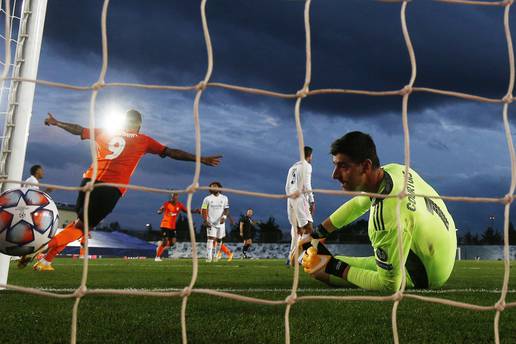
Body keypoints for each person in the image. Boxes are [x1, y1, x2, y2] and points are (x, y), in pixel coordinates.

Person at [19, 110, 222, 271]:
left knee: (80, 224)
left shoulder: (106, 132)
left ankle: (46, 261)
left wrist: (57, 123)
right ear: (139, 125)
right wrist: (200, 159)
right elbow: (171, 153)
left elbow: (78, 129)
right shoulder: (143, 140)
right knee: (82, 228)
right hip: (110, 188)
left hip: (87, 180)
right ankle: (41, 248)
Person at [300, 131, 457, 291]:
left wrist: (334, 267)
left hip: (427, 274)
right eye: (335, 165)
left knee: (322, 269)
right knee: (328, 261)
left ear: (366, 166)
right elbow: (358, 203)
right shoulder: (394, 170)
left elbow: (389, 285)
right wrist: (317, 235)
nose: (334, 175)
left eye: (343, 166)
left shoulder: (386, 217)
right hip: (443, 245)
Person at [285, 146, 315, 265]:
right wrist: (312, 200)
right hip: (299, 198)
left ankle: (291, 258)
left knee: (296, 230)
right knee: (309, 228)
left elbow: (287, 186)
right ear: (310, 155)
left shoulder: (292, 167)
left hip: (290, 198)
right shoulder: (307, 166)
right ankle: (304, 258)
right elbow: (307, 185)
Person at [155, 192, 199, 261]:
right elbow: (160, 210)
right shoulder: (167, 204)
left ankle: (160, 246)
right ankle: (157, 257)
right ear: (171, 197)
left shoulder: (179, 205)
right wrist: (160, 211)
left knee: (172, 243)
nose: (173, 198)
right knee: (165, 241)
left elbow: (187, 211)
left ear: (177, 197)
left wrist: (195, 211)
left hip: (172, 227)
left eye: (175, 196)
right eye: (172, 196)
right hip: (165, 225)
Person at [201, 181, 232, 262]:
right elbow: (203, 210)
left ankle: (216, 256)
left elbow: (226, 209)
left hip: (221, 223)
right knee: (210, 239)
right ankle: (208, 258)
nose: (213, 187)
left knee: (219, 240)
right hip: (211, 222)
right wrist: (205, 220)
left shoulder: (224, 198)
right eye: (212, 186)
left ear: (219, 187)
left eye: (215, 186)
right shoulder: (207, 199)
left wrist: (224, 217)